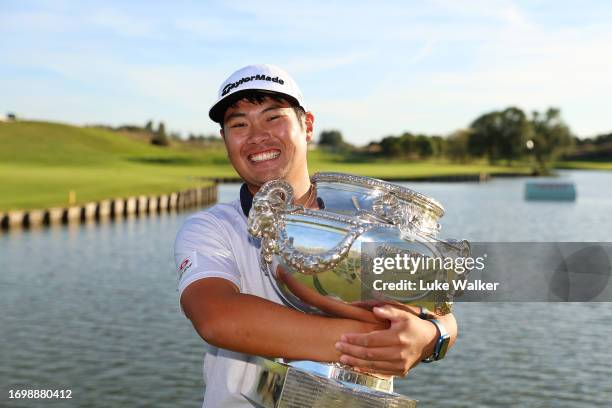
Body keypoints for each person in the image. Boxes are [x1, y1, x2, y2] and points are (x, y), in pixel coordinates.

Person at [174, 64, 458, 407]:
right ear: (225, 140)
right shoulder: (212, 227)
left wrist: (431, 336)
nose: (256, 135)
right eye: (239, 124)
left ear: (306, 125)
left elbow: (435, 306)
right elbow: (217, 317)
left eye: (273, 117)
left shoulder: (366, 217)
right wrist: (379, 339)